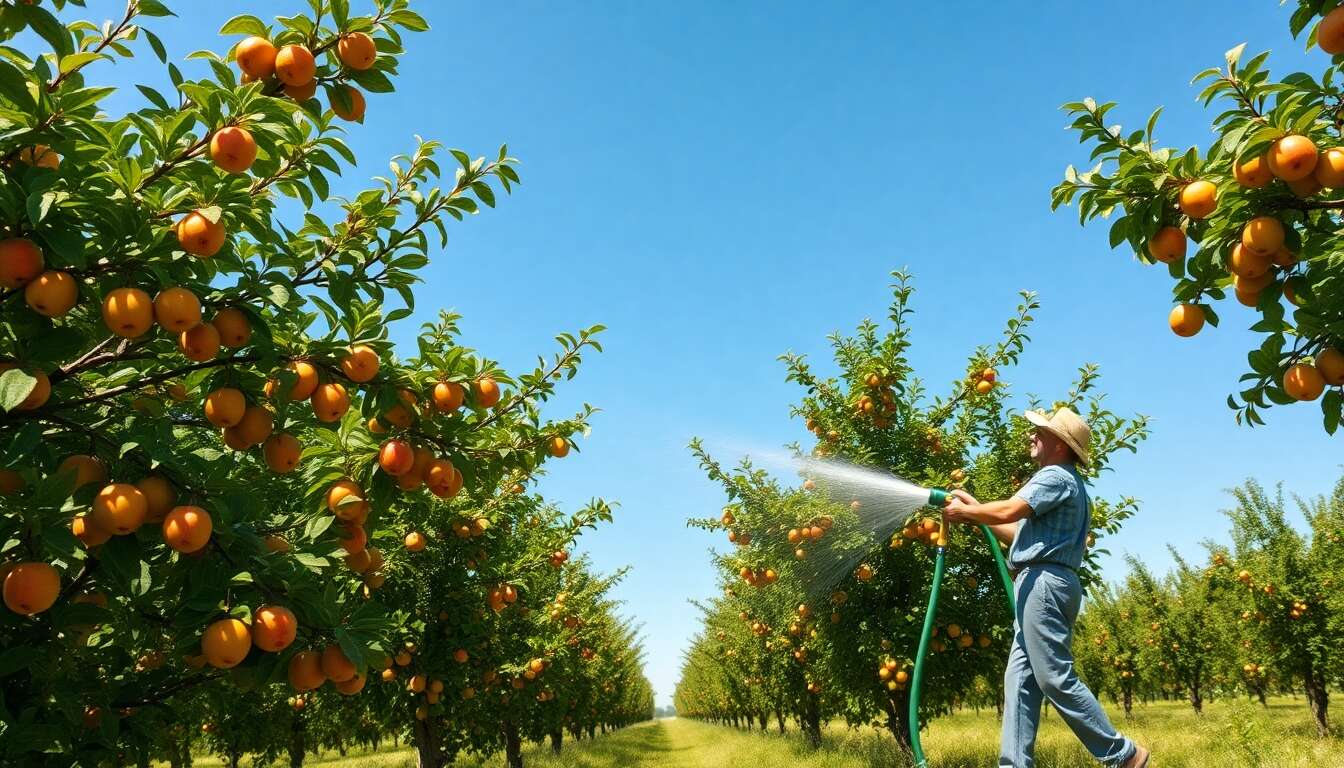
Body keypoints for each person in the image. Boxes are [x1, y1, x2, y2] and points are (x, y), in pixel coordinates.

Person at [942, 407, 1149, 768]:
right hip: (1041, 581)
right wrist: (977, 511)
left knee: (1053, 677)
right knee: (1019, 682)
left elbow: (1008, 511)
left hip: (1044, 585)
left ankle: (1125, 756)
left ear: (1060, 445)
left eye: (1040, 432)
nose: (1032, 436)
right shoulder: (1067, 483)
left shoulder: (1055, 475)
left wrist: (970, 514)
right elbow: (1016, 536)